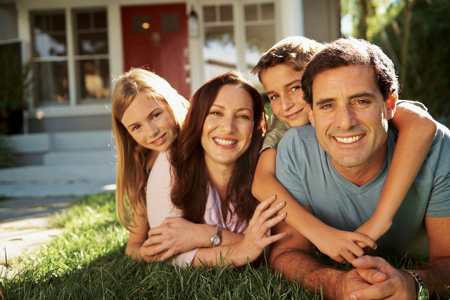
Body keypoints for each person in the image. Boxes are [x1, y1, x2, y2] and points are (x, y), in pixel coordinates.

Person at [270, 37, 450, 299]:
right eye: (327, 105)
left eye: (361, 101)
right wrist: (337, 284)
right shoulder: (295, 149)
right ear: (311, 114)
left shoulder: (437, 149)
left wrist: (410, 282)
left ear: (389, 105)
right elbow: (287, 252)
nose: (345, 122)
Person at [113, 69, 285, 267]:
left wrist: (205, 235)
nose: (152, 132)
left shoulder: (225, 145)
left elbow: (274, 245)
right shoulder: (151, 167)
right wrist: (145, 252)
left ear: (171, 105)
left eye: (156, 115)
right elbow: (156, 247)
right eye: (136, 127)